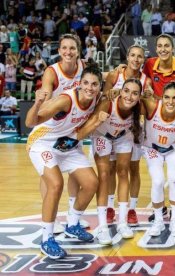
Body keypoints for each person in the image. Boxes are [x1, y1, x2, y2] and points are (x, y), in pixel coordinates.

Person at [25, 66, 103, 259]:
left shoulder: (97, 99)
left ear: (99, 87)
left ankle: (73, 225)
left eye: (94, 84)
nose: (89, 88)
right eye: (86, 83)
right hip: (43, 143)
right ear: (79, 83)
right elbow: (29, 122)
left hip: (67, 144)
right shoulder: (65, 100)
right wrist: (37, 104)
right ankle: (47, 238)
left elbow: (111, 77)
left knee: (92, 183)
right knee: (56, 184)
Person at [81, 78, 142, 245]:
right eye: (127, 91)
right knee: (104, 174)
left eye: (135, 93)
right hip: (102, 135)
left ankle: (122, 222)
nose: (130, 96)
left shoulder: (139, 108)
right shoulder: (108, 103)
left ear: (139, 97)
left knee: (123, 172)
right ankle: (102, 225)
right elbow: (91, 123)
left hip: (123, 136)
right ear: (120, 91)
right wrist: (74, 139)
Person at [38, 33, 88, 234]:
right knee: (49, 174)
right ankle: (52, 217)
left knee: (76, 170)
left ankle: (72, 214)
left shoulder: (83, 67)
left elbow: (99, 78)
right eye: (64, 48)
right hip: (51, 128)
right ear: (59, 51)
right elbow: (47, 96)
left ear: (78, 51)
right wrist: (46, 100)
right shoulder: (52, 72)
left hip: (73, 127)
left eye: (72, 48)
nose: (68, 52)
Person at [104, 45, 150, 227]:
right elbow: (104, 96)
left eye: (140, 56)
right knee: (111, 169)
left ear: (143, 59)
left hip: (134, 129)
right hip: (113, 127)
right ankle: (109, 207)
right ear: (127, 56)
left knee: (133, 169)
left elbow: (148, 109)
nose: (136, 59)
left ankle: (131, 209)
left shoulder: (145, 81)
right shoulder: (116, 75)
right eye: (133, 55)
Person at [141, 82, 175, 237]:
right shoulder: (152, 106)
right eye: (167, 97)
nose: (171, 101)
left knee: (174, 179)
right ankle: (158, 221)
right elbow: (133, 98)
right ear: (161, 97)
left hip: (173, 149)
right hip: (152, 148)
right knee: (157, 181)